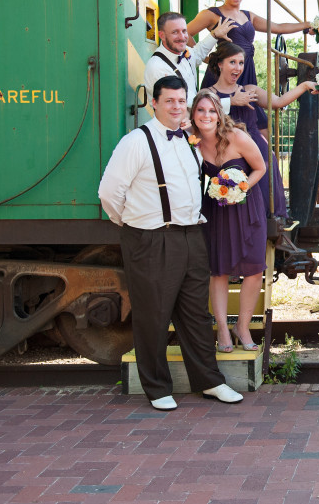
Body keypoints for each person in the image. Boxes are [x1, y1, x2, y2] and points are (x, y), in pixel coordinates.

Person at [98, 74, 243, 411]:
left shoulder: (188, 141)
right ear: (155, 103)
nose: (177, 107)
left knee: (195, 314)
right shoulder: (136, 141)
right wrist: (134, 225)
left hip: (192, 236)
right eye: (170, 101)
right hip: (152, 238)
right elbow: (109, 193)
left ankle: (209, 381)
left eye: (181, 101)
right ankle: (156, 387)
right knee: (153, 315)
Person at [186, 0, 312, 136]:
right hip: (222, 75)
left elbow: (278, 27)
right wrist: (206, 58)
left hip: (246, 71)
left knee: (260, 126)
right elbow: (185, 33)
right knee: (222, 125)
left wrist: (306, 25)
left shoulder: (248, 16)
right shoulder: (212, 14)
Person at [189, 89, 268, 353]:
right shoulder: (192, 141)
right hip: (217, 211)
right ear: (193, 114)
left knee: (255, 269)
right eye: (201, 110)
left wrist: (241, 187)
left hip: (247, 209)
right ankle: (222, 328)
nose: (206, 115)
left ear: (220, 114)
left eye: (212, 110)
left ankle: (242, 326)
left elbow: (260, 167)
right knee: (219, 271)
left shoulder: (236, 137)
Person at [204, 40, 316, 218]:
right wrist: (231, 102)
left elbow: (278, 102)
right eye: (232, 62)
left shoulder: (249, 89)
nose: (238, 67)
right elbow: (200, 115)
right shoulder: (208, 94)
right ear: (220, 64)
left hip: (258, 152)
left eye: (241, 63)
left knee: (265, 205)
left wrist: (303, 86)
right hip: (228, 155)